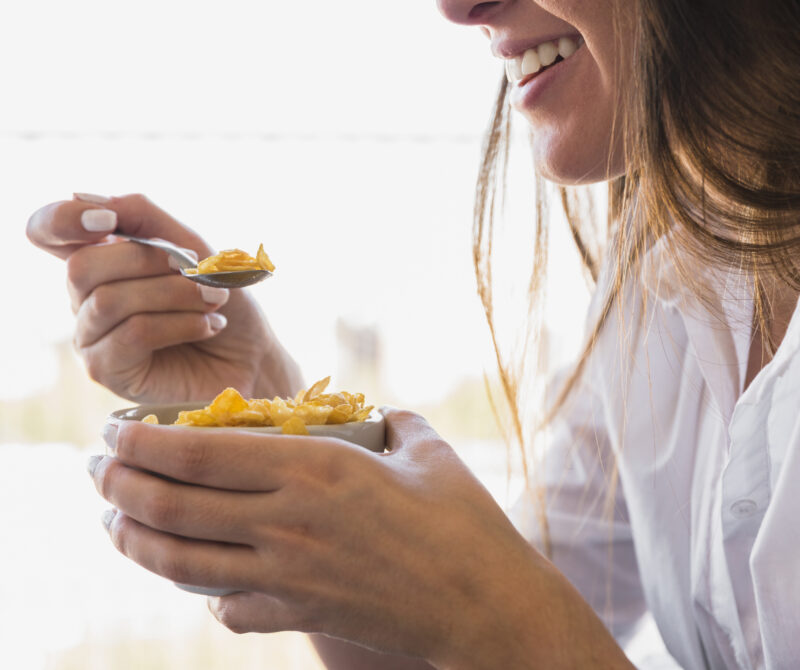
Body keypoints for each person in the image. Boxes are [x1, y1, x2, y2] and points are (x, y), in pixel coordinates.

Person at [25, 0, 799, 667]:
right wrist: (260, 396)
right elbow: (470, 652)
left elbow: (513, 633)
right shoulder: (659, 285)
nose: (457, 7)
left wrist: (488, 608)